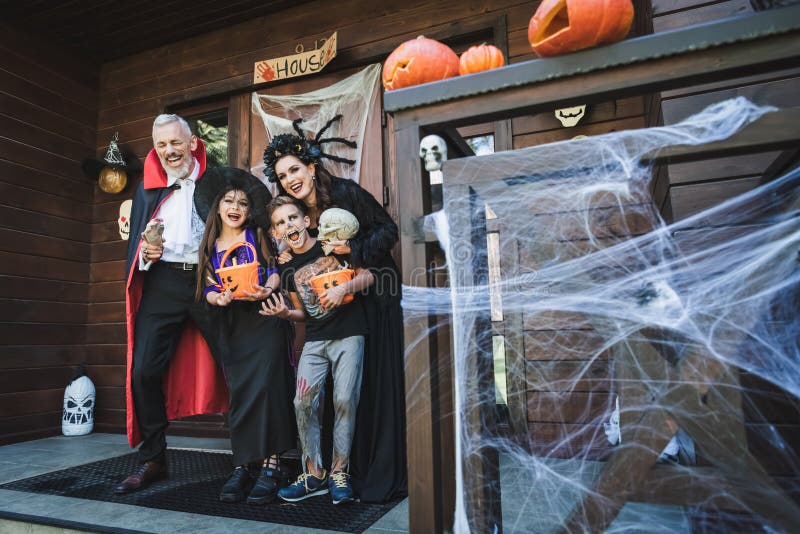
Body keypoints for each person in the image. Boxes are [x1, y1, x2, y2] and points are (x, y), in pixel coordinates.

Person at [262, 117, 407, 503]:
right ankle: (333, 472)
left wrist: (350, 251)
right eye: (282, 175)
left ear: (310, 166)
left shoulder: (345, 193)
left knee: (371, 384)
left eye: (294, 169)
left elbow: (388, 231)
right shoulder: (297, 215)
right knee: (341, 392)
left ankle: (371, 469)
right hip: (332, 316)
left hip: (374, 295)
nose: (290, 179)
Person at [115, 114, 229, 495]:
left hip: (207, 278)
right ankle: (154, 459)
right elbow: (139, 251)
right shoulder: (147, 190)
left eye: (175, 143)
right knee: (144, 369)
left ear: (192, 141)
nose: (169, 151)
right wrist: (146, 254)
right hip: (163, 280)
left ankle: (253, 456)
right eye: (161, 145)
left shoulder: (216, 182)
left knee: (237, 362)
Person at [261, 196, 374, 505]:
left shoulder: (331, 243)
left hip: (349, 334)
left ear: (306, 221)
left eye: (293, 218)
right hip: (314, 340)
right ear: (276, 233)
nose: (289, 225)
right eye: (281, 223)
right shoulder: (287, 271)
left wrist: (344, 288)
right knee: (303, 401)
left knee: (343, 399)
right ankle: (314, 474)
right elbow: (302, 313)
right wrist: (285, 314)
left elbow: (368, 274)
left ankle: (340, 472)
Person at [193, 167, 296, 505]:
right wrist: (218, 297)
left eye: (242, 203)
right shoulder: (210, 244)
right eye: (228, 201)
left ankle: (272, 463)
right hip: (233, 325)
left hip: (264, 318)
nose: (235, 207)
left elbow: (274, 273)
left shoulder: (258, 235)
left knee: (268, 387)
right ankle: (243, 463)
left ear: (249, 211)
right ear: (218, 206)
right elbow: (208, 287)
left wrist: (266, 288)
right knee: (242, 393)